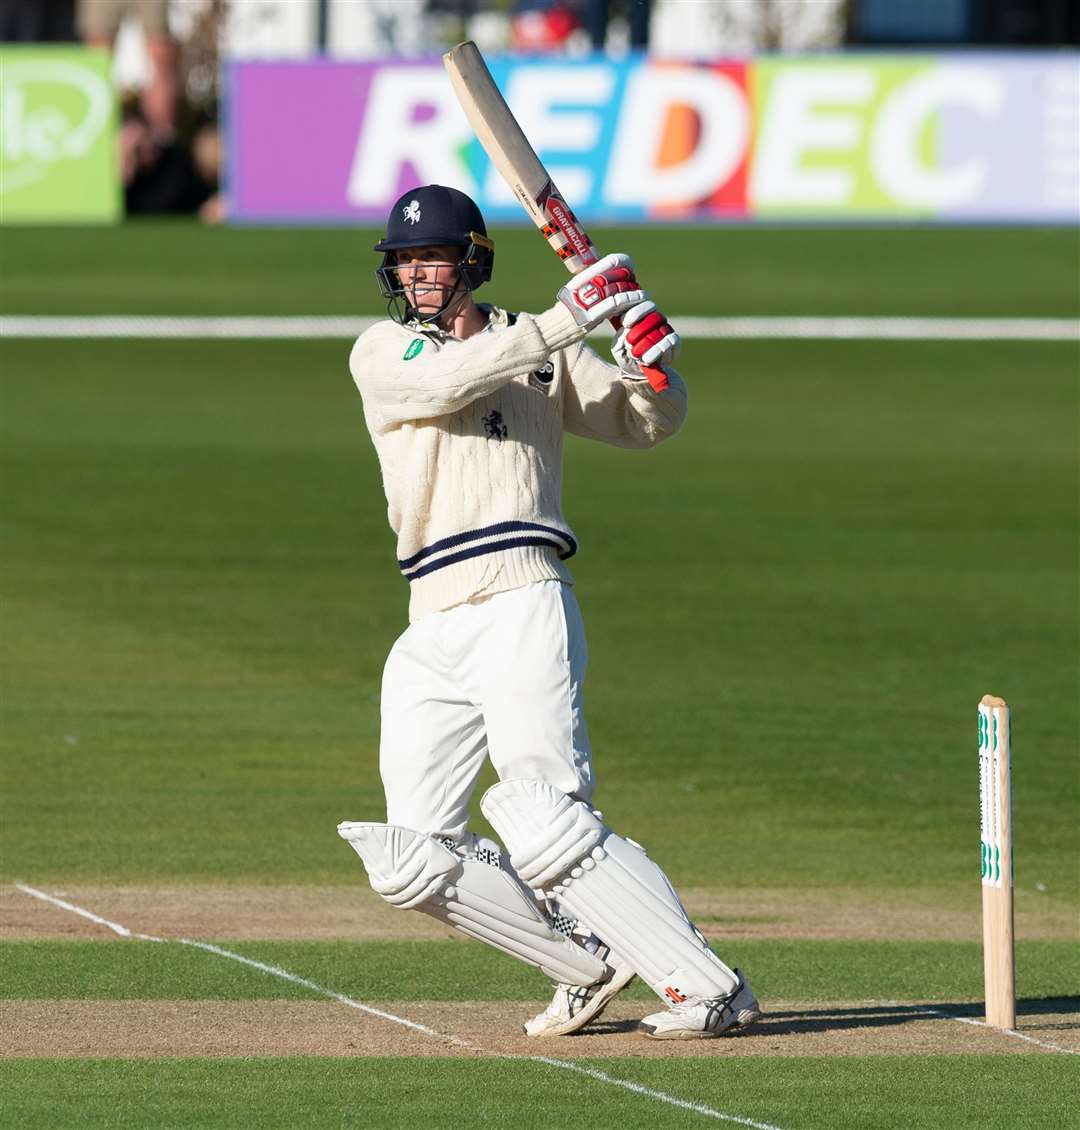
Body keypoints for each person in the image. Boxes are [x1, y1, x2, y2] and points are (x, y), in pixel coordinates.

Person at [338, 184, 759, 1040]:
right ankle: (582, 961)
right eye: (407, 260)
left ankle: (707, 985)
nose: (419, 274)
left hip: (523, 590)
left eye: (435, 257)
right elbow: (449, 382)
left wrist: (649, 361)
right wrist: (567, 316)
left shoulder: (539, 351)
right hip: (431, 618)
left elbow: (645, 423)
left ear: (472, 262)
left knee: (540, 813)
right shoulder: (382, 352)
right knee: (409, 856)